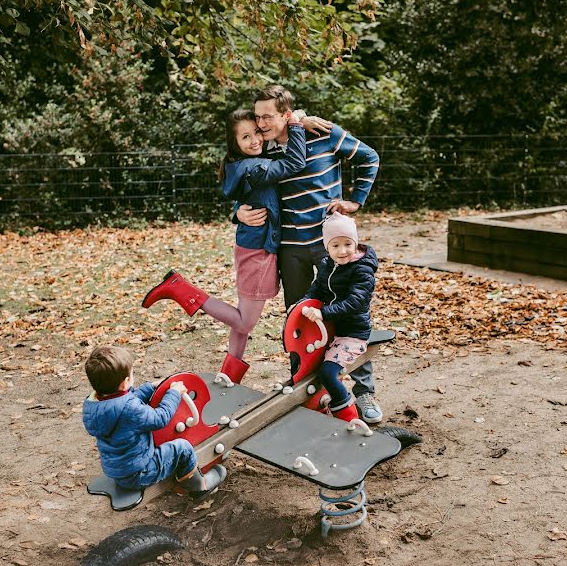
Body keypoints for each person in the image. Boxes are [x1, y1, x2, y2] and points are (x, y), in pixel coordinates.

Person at [237, 84, 385, 423]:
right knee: (298, 320)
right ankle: (305, 392)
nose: (260, 124)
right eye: (257, 117)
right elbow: (241, 182)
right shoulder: (263, 151)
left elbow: (369, 158)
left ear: (286, 114)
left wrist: (356, 200)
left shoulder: (324, 133)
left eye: (267, 116)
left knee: (349, 316)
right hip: (291, 249)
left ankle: (364, 393)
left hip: (331, 249)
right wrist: (238, 212)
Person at [141, 109, 307, 386]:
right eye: (246, 137)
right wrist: (297, 125)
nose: (255, 140)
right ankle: (181, 289)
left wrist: (236, 212)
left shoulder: (245, 163)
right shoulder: (253, 166)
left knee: (241, 319)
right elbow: (293, 165)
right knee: (244, 322)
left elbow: (248, 192)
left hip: (250, 246)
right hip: (258, 252)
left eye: (256, 133)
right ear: (234, 144)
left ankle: (229, 376)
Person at [81, 345, 226, 499]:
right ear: (125, 383)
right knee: (182, 447)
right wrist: (174, 393)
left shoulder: (94, 404)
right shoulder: (129, 409)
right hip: (140, 473)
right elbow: (160, 418)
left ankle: (186, 479)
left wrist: (151, 388)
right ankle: (198, 486)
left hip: (117, 471)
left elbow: (129, 398)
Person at [299, 213, 377, 422]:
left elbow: (356, 302)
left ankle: (347, 414)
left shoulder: (362, 269)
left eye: (347, 244)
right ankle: (321, 405)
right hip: (330, 330)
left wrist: (323, 312)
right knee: (310, 367)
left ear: (355, 243)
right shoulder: (327, 264)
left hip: (353, 332)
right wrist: (303, 305)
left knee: (328, 373)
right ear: (327, 247)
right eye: (335, 246)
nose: (342, 251)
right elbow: (316, 289)